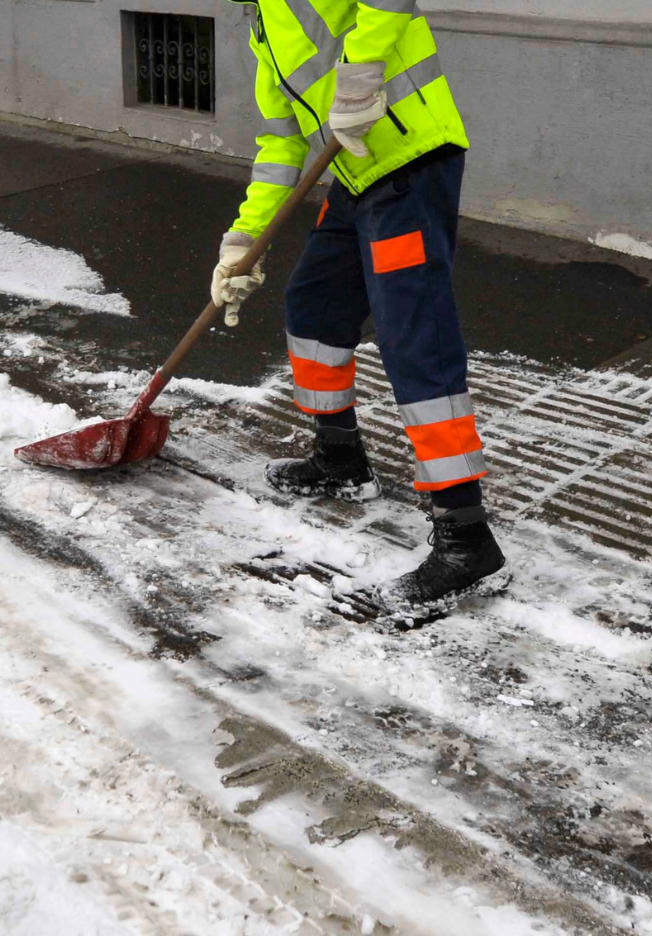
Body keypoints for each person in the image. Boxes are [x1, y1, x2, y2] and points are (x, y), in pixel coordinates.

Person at [211, 0, 508, 618]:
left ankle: (465, 535)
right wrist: (242, 244)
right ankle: (340, 459)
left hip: (407, 163)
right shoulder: (265, 27)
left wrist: (364, 68)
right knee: (314, 308)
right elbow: (282, 142)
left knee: (413, 337)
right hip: (354, 176)